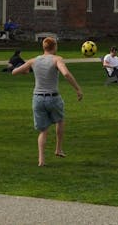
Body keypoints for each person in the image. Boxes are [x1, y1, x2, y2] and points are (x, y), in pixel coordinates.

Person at [12, 36, 84, 167]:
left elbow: (15, 72)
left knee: (43, 130)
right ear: (55, 47)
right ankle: (58, 148)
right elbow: (66, 74)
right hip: (53, 97)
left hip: (37, 98)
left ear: (43, 47)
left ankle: (41, 160)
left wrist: (26, 71)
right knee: (60, 120)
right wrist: (78, 89)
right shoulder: (57, 59)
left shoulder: (34, 60)